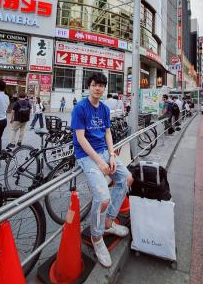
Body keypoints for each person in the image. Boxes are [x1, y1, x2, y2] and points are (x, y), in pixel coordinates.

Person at [71, 72, 133, 268]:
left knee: (127, 179)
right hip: (86, 156)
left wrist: (112, 156)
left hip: (105, 152)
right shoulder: (80, 108)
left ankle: (108, 222)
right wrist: (100, 162)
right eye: (95, 84)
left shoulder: (105, 108)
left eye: (101, 85)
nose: (98, 88)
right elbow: (80, 139)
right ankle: (97, 238)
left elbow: (107, 132)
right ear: (89, 86)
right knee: (102, 198)